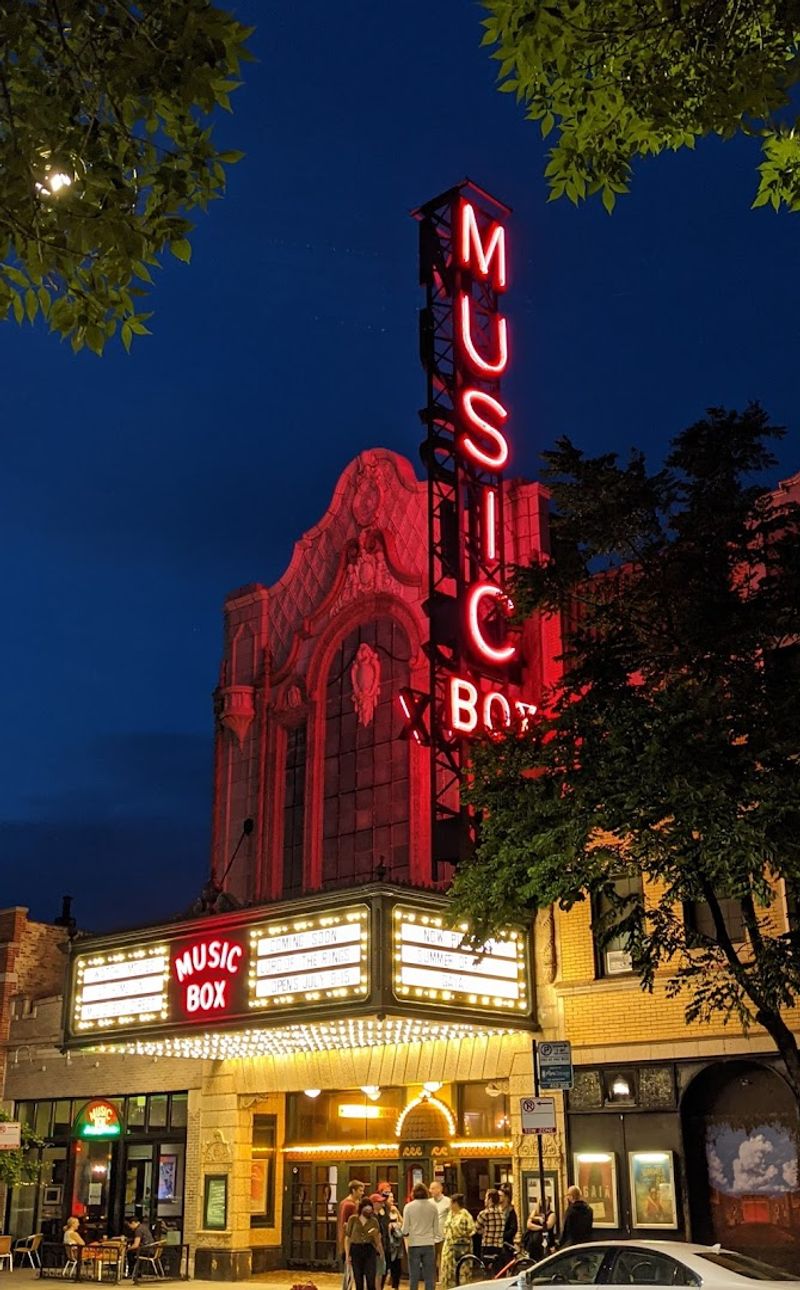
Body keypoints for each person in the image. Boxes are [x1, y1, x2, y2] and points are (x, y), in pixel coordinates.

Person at [402, 1182, 442, 1290]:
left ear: (413, 1193)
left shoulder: (408, 1207)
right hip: (429, 1243)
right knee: (430, 1276)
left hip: (414, 1244)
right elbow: (437, 1229)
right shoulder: (433, 1206)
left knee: (414, 1276)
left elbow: (405, 1229)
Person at [346, 1197, 384, 1290]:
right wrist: (347, 1254)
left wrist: (381, 1251)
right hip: (356, 1249)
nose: (368, 1211)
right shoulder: (353, 1219)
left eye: (370, 1208)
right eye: (366, 1208)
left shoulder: (374, 1221)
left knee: (371, 1279)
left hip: (369, 1249)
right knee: (358, 1280)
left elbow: (377, 1238)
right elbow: (348, 1238)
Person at [440, 1194, 475, 1289]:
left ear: (455, 1203)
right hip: (448, 1248)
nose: (449, 1205)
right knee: (448, 1273)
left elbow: (471, 1230)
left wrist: (460, 1235)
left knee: (461, 1272)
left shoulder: (465, 1215)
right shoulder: (450, 1214)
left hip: (461, 1248)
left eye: (451, 1203)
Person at [339, 1181, 367, 1286]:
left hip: (348, 1242)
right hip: (350, 1242)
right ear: (353, 1190)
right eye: (360, 1190)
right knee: (350, 1274)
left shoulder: (345, 1203)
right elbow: (345, 1225)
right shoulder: (349, 1205)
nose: (362, 1193)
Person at [475, 1189, 505, 1272]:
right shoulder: (502, 1213)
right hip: (499, 1246)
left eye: (486, 1198)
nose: (484, 1201)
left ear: (490, 1200)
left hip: (487, 1246)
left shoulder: (484, 1213)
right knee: (497, 1270)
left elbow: (477, 1228)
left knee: (486, 1270)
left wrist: (483, 1230)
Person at [382, 1189, 404, 1290]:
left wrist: (398, 1213)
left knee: (397, 1267)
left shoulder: (394, 1210)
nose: (393, 1199)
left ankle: (395, 1286)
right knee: (385, 1267)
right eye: (390, 1197)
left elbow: (403, 1223)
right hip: (387, 1243)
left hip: (396, 1243)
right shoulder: (382, 1211)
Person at [523, 1195, 557, 1261]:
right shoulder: (535, 1212)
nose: (544, 1202)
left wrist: (539, 1226)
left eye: (546, 1200)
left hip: (546, 1241)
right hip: (533, 1242)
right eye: (542, 1200)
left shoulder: (552, 1214)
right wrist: (539, 1222)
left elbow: (548, 1226)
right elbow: (529, 1225)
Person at [429, 1180, 451, 1280]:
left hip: (443, 1235)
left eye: (433, 1188)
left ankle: (443, 1279)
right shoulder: (428, 1203)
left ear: (440, 1189)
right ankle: (432, 1280)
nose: (430, 1191)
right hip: (431, 1236)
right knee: (431, 1261)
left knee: (443, 1259)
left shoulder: (448, 1201)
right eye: (430, 1188)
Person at [499, 1185, 518, 1256]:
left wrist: (503, 1236)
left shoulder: (510, 1211)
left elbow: (513, 1229)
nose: (498, 1197)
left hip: (507, 1244)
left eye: (500, 1195)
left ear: (506, 1197)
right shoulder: (497, 1209)